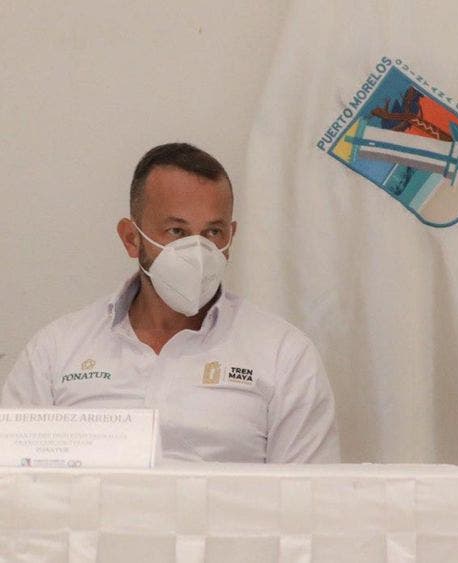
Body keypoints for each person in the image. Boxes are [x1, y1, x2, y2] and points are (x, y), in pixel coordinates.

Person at [2, 143, 339, 463]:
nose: (197, 251)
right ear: (132, 238)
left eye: (213, 232)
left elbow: (308, 495)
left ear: (231, 236)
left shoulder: (284, 356)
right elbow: (13, 482)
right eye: (177, 231)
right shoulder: (56, 352)